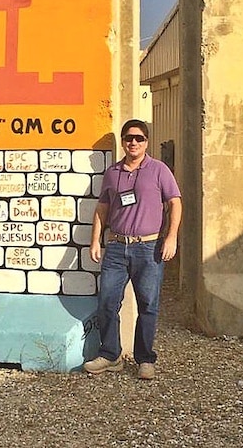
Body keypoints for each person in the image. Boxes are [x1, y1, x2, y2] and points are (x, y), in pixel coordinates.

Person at [83, 118, 182, 380]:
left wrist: (171, 237)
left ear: (146, 142)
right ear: (123, 141)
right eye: (129, 138)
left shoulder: (159, 170)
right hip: (117, 247)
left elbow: (175, 202)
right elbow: (102, 208)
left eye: (139, 138)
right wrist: (95, 240)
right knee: (107, 301)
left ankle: (145, 359)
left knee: (148, 305)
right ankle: (110, 355)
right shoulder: (113, 172)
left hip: (148, 248)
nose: (133, 142)